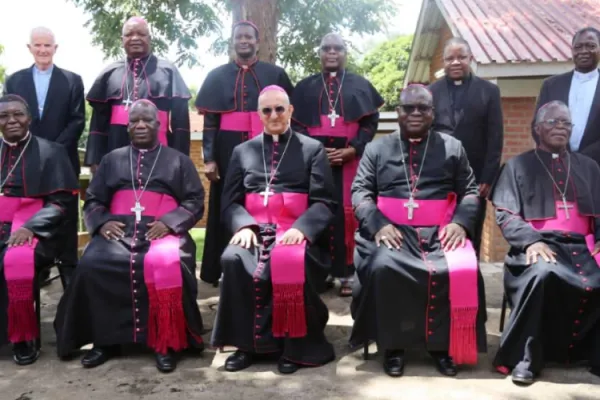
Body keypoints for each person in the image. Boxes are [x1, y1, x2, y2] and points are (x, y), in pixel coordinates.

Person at [54, 100, 205, 373]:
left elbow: (195, 201)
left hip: (162, 229)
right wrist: (100, 223)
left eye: (147, 120)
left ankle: (166, 342)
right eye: (134, 121)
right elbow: (94, 200)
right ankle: (105, 341)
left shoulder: (179, 160)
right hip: (119, 228)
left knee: (170, 262)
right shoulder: (112, 160)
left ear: (158, 125)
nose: (140, 125)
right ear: (127, 126)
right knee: (93, 263)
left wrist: (171, 223)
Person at [349, 85, 487, 378]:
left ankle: (442, 347)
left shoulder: (452, 147)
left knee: (459, 269)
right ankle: (394, 347)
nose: (415, 113)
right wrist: (378, 225)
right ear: (398, 112)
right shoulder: (376, 149)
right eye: (408, 108)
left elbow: (471, 191)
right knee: (385, 267)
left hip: (440, 233)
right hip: (393, 232)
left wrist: (460, 223)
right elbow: (360, 191)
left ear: (432, 113)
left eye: (422, 108)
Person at [212, 85, 337, 374]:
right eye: (267, 110)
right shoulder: (243, 151)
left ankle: (294, 348)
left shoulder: (312, 149)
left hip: (294, 231)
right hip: (254, 231)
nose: (274, 115)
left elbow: (324, 202)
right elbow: (229, 201)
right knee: (233, 259)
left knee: (288, 261)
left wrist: (303, 229)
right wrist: (243, 225)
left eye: (280, 108)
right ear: (259, 114)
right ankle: (245, 346)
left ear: (290, 111)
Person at [491, 100, 600, 385]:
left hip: (584, 246)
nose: (560, 127)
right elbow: (505, 213)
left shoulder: (589, 167)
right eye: (553, 122)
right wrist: (530, 241)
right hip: (538, 243)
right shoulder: (517, 166)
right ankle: (526, 359)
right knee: (542, 273)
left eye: (566, 122)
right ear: (537, 129)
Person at [195, 21, 294, 286]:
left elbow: (287, 117)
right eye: (239, 37)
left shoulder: (276, 73)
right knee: (224, 203)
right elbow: (210, 123)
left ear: (257, 42)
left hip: (267, 149)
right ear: (233, 41)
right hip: (226, 150)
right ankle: (218, 268)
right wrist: (209, 158)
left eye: (249, 37)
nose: (244, 41)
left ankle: (266, 262)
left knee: (266, 203)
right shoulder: (216, 76)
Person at [291, 33, 384, 296]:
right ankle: (319, 272)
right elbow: (296, 124)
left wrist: (353, 149)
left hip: (350, 160)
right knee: (316, 210)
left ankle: (346, 272)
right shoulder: (304, 87)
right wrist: (316, 150)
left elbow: (370, 123)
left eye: (338, 48)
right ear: (319, 53)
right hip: (314, 162)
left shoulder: (360, 85)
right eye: (326, 48)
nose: (332, 53)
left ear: (345, 53)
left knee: (347, 215)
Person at [0, 94, 78, 365]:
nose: (11, 120)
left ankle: (22, 337)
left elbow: (62, 202)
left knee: (13, 260)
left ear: (29, 118)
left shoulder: (51, 151)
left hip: (36, 230)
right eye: (4, 116)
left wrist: (31, 227)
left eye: (18, 114)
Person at [4, 27, 85, 286]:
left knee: (64, 214)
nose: (42, 50)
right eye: (37, 45)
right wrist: (32, 148)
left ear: (55, 48)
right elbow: (11, 118)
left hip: (61, 160)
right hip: (24, 162)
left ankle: (69, 269)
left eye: (47, 46)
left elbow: (77, 121)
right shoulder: (15, 80)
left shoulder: (72, 80)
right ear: (29, 48)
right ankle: (34, 270)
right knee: (27, 211)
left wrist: (51, 152)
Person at [84, 16, 191, 171]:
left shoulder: (168, 71)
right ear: (122, 39)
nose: (135, 38)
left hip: (160, 151)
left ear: (149, 38)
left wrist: (181, 158)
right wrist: (95, 159)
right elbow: (98, 124)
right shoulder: (110, 72)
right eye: (129, 34)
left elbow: (180, 124)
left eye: (141, 34)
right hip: (116, 149)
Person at [428, 37, 503, 254]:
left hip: (475, 178)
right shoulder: (432, 91)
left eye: (461, 57)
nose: (455, 62)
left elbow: (495, 137)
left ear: (470, 58)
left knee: (471, 230)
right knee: (439, 230)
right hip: (438, 176)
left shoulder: (489, 91)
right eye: (450, 58)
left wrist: (487, 178)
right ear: (443, 61)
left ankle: (471, 278)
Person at [533, 27, 600, 163]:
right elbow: (537, 125)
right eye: (578, 47)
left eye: (591, 46)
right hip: (557, 165)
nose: (583, 51)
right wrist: (557, 152)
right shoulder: (551, 85)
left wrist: (582, 159)